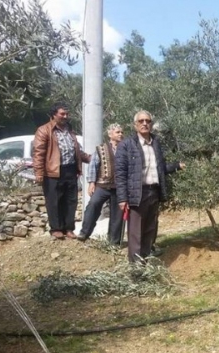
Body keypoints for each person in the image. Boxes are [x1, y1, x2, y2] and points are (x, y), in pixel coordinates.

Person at [115, 111, 184, 262]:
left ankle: (145, 262)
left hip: (154, 192)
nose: (144, 123)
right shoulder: (126, 145)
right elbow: (120, 174)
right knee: (136, 232)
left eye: (147, 121)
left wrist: (177, 166)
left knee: (149, 230)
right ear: (135, 125)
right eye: (141, 121)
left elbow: (161, 168)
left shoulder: (156, 143)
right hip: (137, 194)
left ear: (151, 124)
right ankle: (136, 267)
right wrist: (122, 199)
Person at [33, 102, 91, 240]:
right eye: (62, 114)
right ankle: (56, 229)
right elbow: (38, 153)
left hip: (70, 170)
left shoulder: (69, 131)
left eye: (67, 114)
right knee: (54, 201)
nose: (65, 116)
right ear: (54, 115)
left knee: (71, 201)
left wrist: (91, 158)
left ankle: (69, 228)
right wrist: (39, 172)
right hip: (53, 172)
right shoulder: (44, 130)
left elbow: (76, 151)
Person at [77, 124, 124, 245]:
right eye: (118, 132)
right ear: (110, 134)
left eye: (121, 132)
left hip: (119, 188)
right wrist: (92, 183)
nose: (120, 134)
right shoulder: (101, 148)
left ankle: (114, 242)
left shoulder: (125, 149)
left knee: (117, 214)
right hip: (102, 186)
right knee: (93, 205)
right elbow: (93, 166)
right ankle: (84, 233)